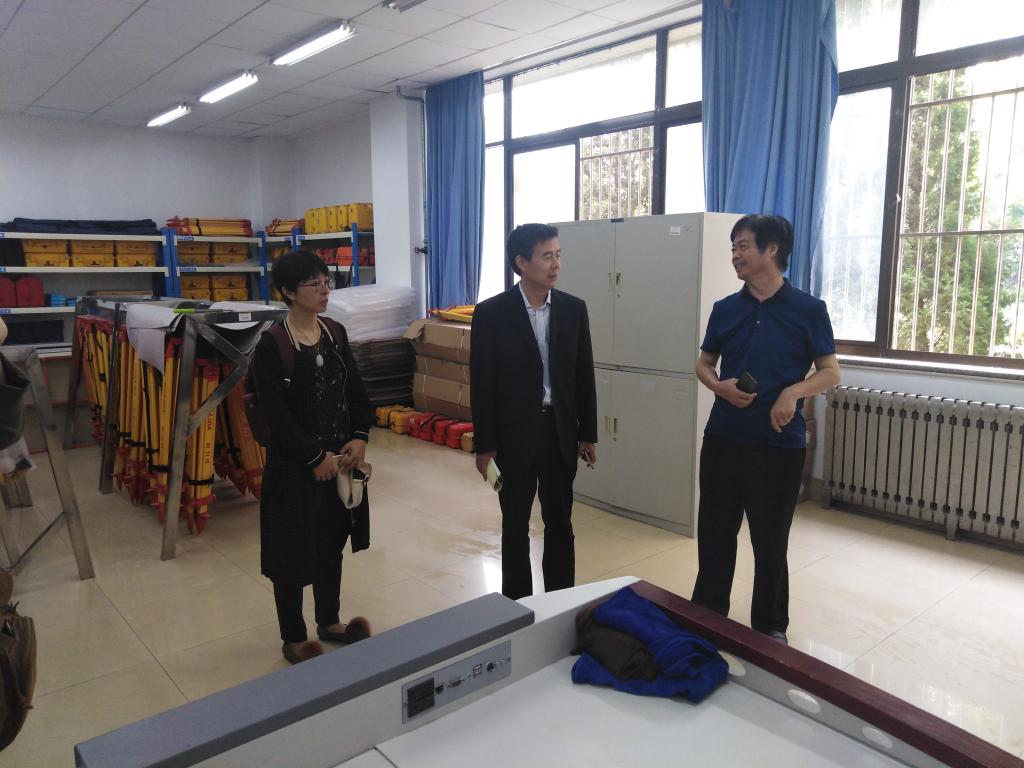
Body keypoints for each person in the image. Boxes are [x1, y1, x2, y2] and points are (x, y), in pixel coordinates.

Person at [691, 214, 840, 644]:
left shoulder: (809, 310)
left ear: (771, 249)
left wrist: (794, 392)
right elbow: (704, 363)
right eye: (733, 247)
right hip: (724, 439)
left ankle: (771, 627)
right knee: (715, 535)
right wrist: (717, 385)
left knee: (771, 541)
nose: (734, 255)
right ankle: (707, 616)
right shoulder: (725, 309)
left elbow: (830, 372)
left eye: (742, 246)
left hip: (778, 446)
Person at [253, 250, 373, 664]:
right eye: (314, 284)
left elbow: (355, 390)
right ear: (288, 291)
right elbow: (275, 414)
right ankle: (293, 637)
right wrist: (312, 456)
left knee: (330, 542)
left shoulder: (335, 333)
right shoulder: (273, 344)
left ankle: (329, 621)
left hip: (340, 463)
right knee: (290, 552)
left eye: (327, 282)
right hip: (294, 469)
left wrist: (359, 437)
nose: (325, 290)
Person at [470, 223, 598, 600]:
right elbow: (482, 384)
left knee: (560, 522)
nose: (555, 264)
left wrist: (587, 433)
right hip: (513, 437)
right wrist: (485, 446)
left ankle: (560, 602)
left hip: (559, 431)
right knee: (515, 526)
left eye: (558, 255)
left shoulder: (573, 309)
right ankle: (518, 607)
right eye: (546, 256)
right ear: (522, 262)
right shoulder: (492, 313)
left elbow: (583, 376)